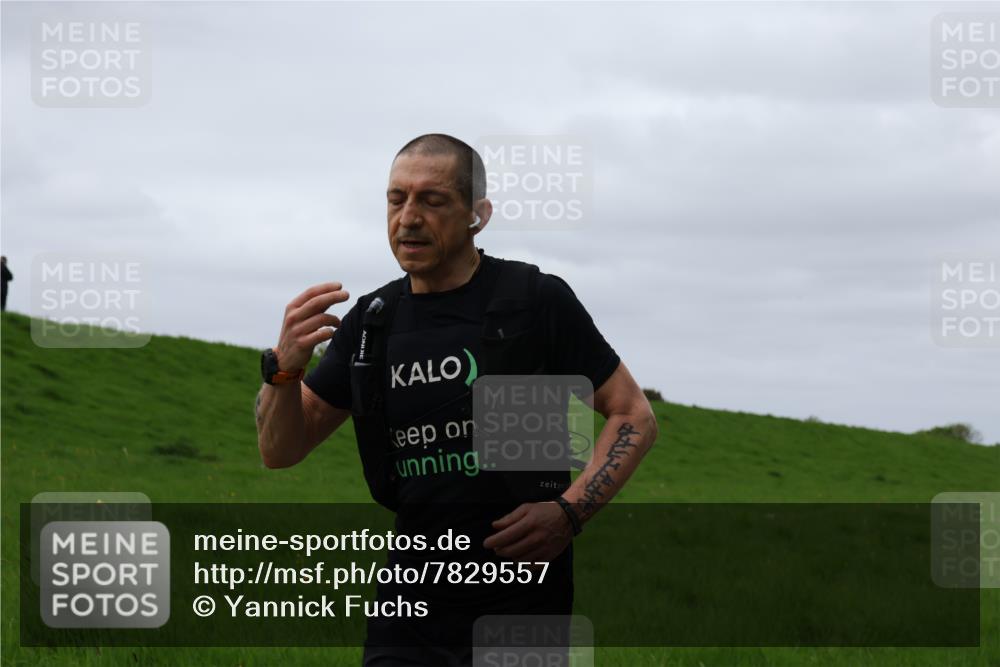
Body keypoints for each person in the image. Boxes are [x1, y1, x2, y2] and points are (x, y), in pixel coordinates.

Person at [255, 134, 658, 665]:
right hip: (410, 607)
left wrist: (569, 512)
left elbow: (633, 415)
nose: (410, 217)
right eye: (397, 199)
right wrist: (282, 372)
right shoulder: (374, 321)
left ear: (478, 214)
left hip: (521, 602)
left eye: (433, 200)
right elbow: (281, 450)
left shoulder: (532, 301)